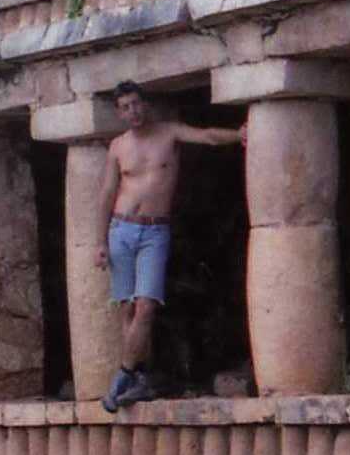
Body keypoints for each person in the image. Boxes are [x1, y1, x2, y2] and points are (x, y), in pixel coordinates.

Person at [96, 81, 244, 412]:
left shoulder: (168, 133)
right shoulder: (118, 147)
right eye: (125, 107)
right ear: (118, 113)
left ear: (144, 104)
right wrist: (99, 241)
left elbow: (206, 136)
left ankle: (123, 375)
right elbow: (106, 193)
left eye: (136, 104)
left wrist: (239, 134)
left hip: (154, 231)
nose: (132, 111)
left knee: (146, 306)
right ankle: (141, 377)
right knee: (128, 310)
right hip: (121, 229)